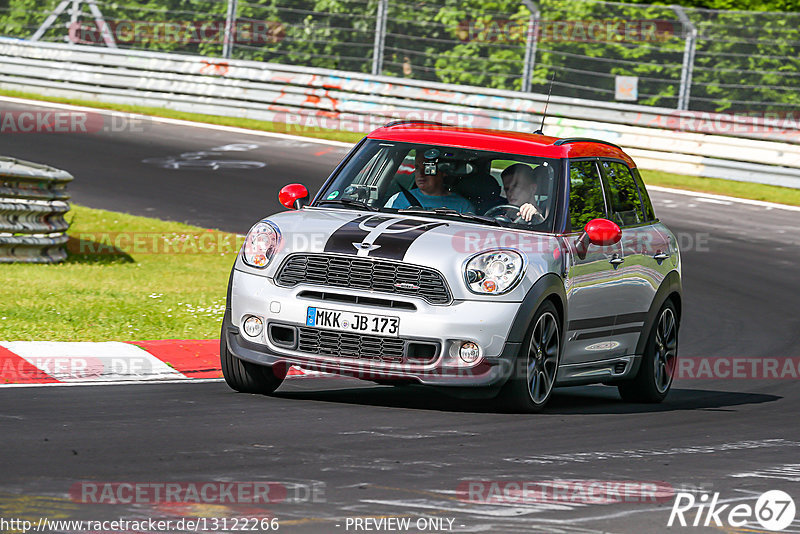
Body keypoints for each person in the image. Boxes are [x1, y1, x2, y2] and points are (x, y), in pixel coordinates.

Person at [386, 149, 475, 213]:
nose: (421, 174)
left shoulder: (462, 206)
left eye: (428, 169)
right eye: (417, 168)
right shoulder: (398, 199)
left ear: (444, 170)